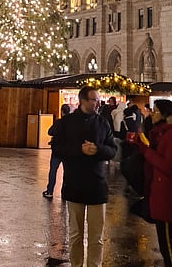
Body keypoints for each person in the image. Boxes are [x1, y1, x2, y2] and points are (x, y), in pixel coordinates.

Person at [51, 85, 116, 267]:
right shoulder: (67, 122)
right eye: (94, 100)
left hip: (97, 185)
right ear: (83, 101)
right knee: (75, 234)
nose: (97, 103)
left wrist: (98, 149)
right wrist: (79, 149)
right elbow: (56, 147)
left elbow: (112, 149)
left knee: (96, 236)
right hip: (75, 183)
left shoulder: (102, 122)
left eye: (97, 100)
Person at [135, 99, 172, 267]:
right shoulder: (163, 133)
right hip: (162, 194)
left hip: (168, 196)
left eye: (155, 111)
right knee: (166, 244)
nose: (152, 114)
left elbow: (169, 167)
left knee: (168, 246)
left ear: (165, 115)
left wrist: (145, 151)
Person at [43, 103, 71, 199]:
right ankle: (65, 193)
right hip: (67, 151)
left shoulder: (58, 122)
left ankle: (50, 191)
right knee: (67, 173)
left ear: (62, 112)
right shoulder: (72, 124)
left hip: (57, 151)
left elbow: (50, 132)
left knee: (53, 170)